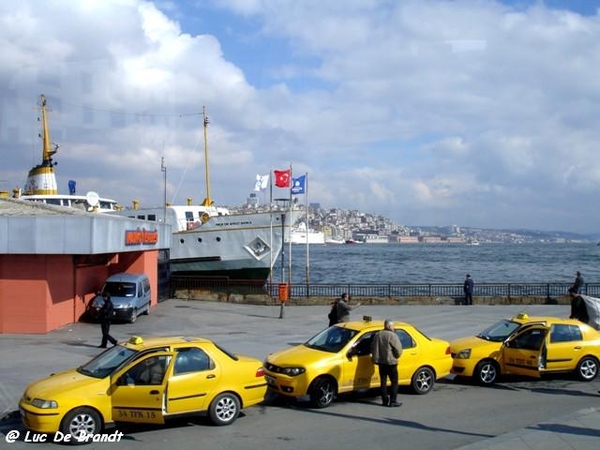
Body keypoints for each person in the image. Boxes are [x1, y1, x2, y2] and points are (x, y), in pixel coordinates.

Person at [370, 319, 403, 407]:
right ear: (389, 326)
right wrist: (396, 356)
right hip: (391, 362)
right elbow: (399, 350)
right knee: (394, 382)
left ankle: (384, 400)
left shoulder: (378, 335)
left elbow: (373, 347)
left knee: (383, 382)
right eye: (393, 326)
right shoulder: (393, 336)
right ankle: (393, 401)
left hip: (381, 362)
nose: (394, 327)